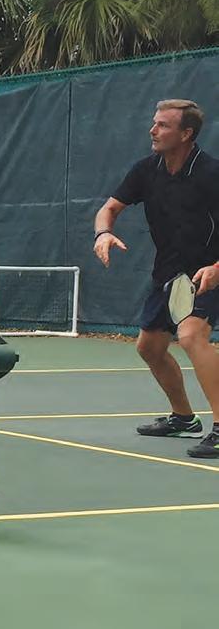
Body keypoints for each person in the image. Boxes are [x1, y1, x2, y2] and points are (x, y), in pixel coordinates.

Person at [94, 98, 219, 458]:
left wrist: (216, 268)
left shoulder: (211, 173)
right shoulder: (145, 170)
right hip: (168, 273)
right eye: (154, 123)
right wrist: (103, 233)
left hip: (208, 271)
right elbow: (109, 208)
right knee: (149, 347)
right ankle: (183, 418)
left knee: (191, 336)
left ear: (186, 133)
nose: (153, 130)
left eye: (163, 125)